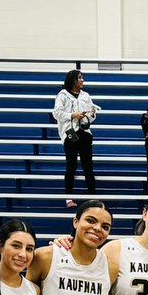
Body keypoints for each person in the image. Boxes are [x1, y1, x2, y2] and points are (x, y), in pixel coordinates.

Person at [52, 70, 99, 206]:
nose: (82, 80)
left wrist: (91, 114)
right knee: (71, 164)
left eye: (82, 78)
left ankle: (93, 197)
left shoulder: (86, 95)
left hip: (85, 132)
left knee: (88, 165)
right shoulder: (63, 95)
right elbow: (57, 113)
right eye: (79, 78)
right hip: (70, 132)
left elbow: (91, 116)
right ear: (73, 80)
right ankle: (68, 198)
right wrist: (73, 115)